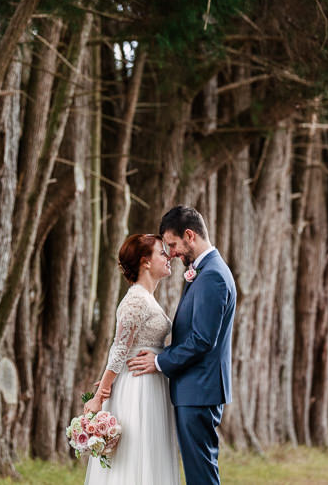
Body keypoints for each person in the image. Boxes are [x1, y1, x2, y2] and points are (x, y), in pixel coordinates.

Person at [128, 205, 236, 485]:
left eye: (173, 244)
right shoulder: (205, 271)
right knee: (199, 471)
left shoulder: (212, 275)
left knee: (201, 475)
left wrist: (159, 361)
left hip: (199, 390)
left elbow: (202, 339)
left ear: (190, 235)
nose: (172, 253)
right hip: (196, 389)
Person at [83, 233, 180, 485]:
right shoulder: (135, 299)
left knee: (151, 453)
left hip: (151, 382)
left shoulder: (148, 298)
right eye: (162, 252)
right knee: (136, 456)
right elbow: (118, 349)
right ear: (145, 262)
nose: (168, 256)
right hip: (137, 387)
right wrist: (100, 396)